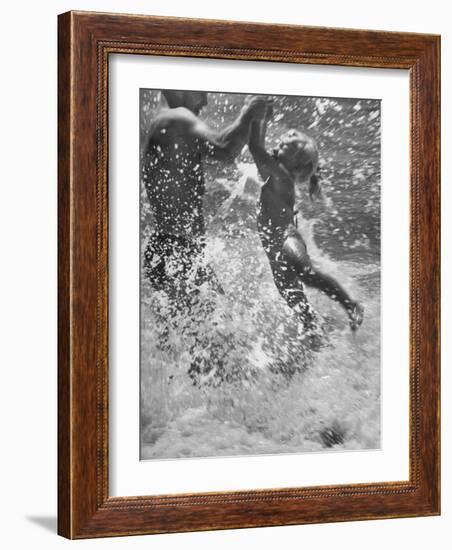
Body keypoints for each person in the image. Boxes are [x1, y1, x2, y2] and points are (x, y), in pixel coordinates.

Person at [248, 106, 364, 341]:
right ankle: (317, 336)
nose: (278, 145)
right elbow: (259, 149)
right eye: (281, 142)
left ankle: (351, 304)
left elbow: (254, 147)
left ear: (292, 163)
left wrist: (257, 116)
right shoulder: (279, 172)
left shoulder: (279, 173)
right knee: (296, 300)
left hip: (285, 239)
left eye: (284, 147)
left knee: (306, 273)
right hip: (275, 250)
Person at [142, 90, 268, 307]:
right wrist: (248, 112)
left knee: (188, 334)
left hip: (172, 248)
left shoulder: (164, 120)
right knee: (213, 331)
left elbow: (237, 150)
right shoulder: (177, 118)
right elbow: (225, 148)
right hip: (177, 251)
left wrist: (256, 120)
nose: (205, 101)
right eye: (201, 92)